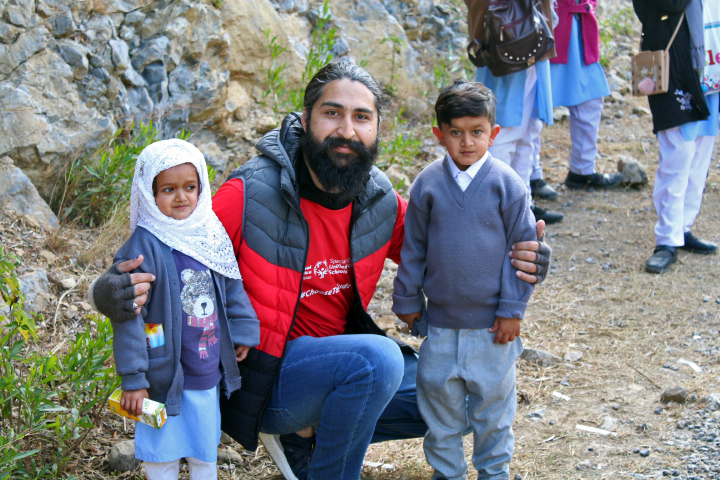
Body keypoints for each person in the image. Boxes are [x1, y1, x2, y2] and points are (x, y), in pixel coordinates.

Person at [90, 62, 552, 480]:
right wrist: (111, 292)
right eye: (333, 114)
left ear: (376, 129)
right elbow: (167, 245)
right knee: (379, 359)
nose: (347, 130)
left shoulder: (379, 200)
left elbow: (453, 248)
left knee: (464, 396)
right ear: (306, 119)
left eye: (362, 118)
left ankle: (308, 433)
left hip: (337, 365)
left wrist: (526, 256)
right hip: (266, 375)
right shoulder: (249, 194)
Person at [392, 80, 535, 480]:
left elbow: (523, 254)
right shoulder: (428, 184)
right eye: (455, 132)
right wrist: (405, 300)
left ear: (494, 133)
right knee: (441, 416)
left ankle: (494, 473)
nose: (467, 142)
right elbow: (414, 247)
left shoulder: (508, 185)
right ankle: (447, 474)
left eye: (476, 132)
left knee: (493, 415)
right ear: (440, 135)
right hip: (439, 328)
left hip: (493, 331)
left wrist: (512, 310)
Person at [98, 139, 260, 479]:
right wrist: (134, 379)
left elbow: (230, 284)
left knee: (204, 449)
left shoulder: (208, 234)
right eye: (168, 189)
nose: (181, 197)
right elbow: (128, 316)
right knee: (161, 452)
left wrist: (243, 330)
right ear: (148, 193)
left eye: (190, 187)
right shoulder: (142, 246)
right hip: (158, 372)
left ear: (202, 187)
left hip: (204, 366)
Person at [633, 0, 718, 273]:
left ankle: (683, 226)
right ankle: (667, 238)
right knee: (678, 151)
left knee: (703, 147)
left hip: (712, 60)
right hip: (676, 60)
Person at [466, 0, 565, 225]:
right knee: (502, 131)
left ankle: (522, 208)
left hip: (526, 33)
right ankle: (497, 210)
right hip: (508, 34)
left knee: (528, 130)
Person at [529, 0, 623, 201]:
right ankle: (531, 174)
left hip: (579, 22)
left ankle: (583, 170)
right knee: (535, 105)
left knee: (590, 100)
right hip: (545, 22)